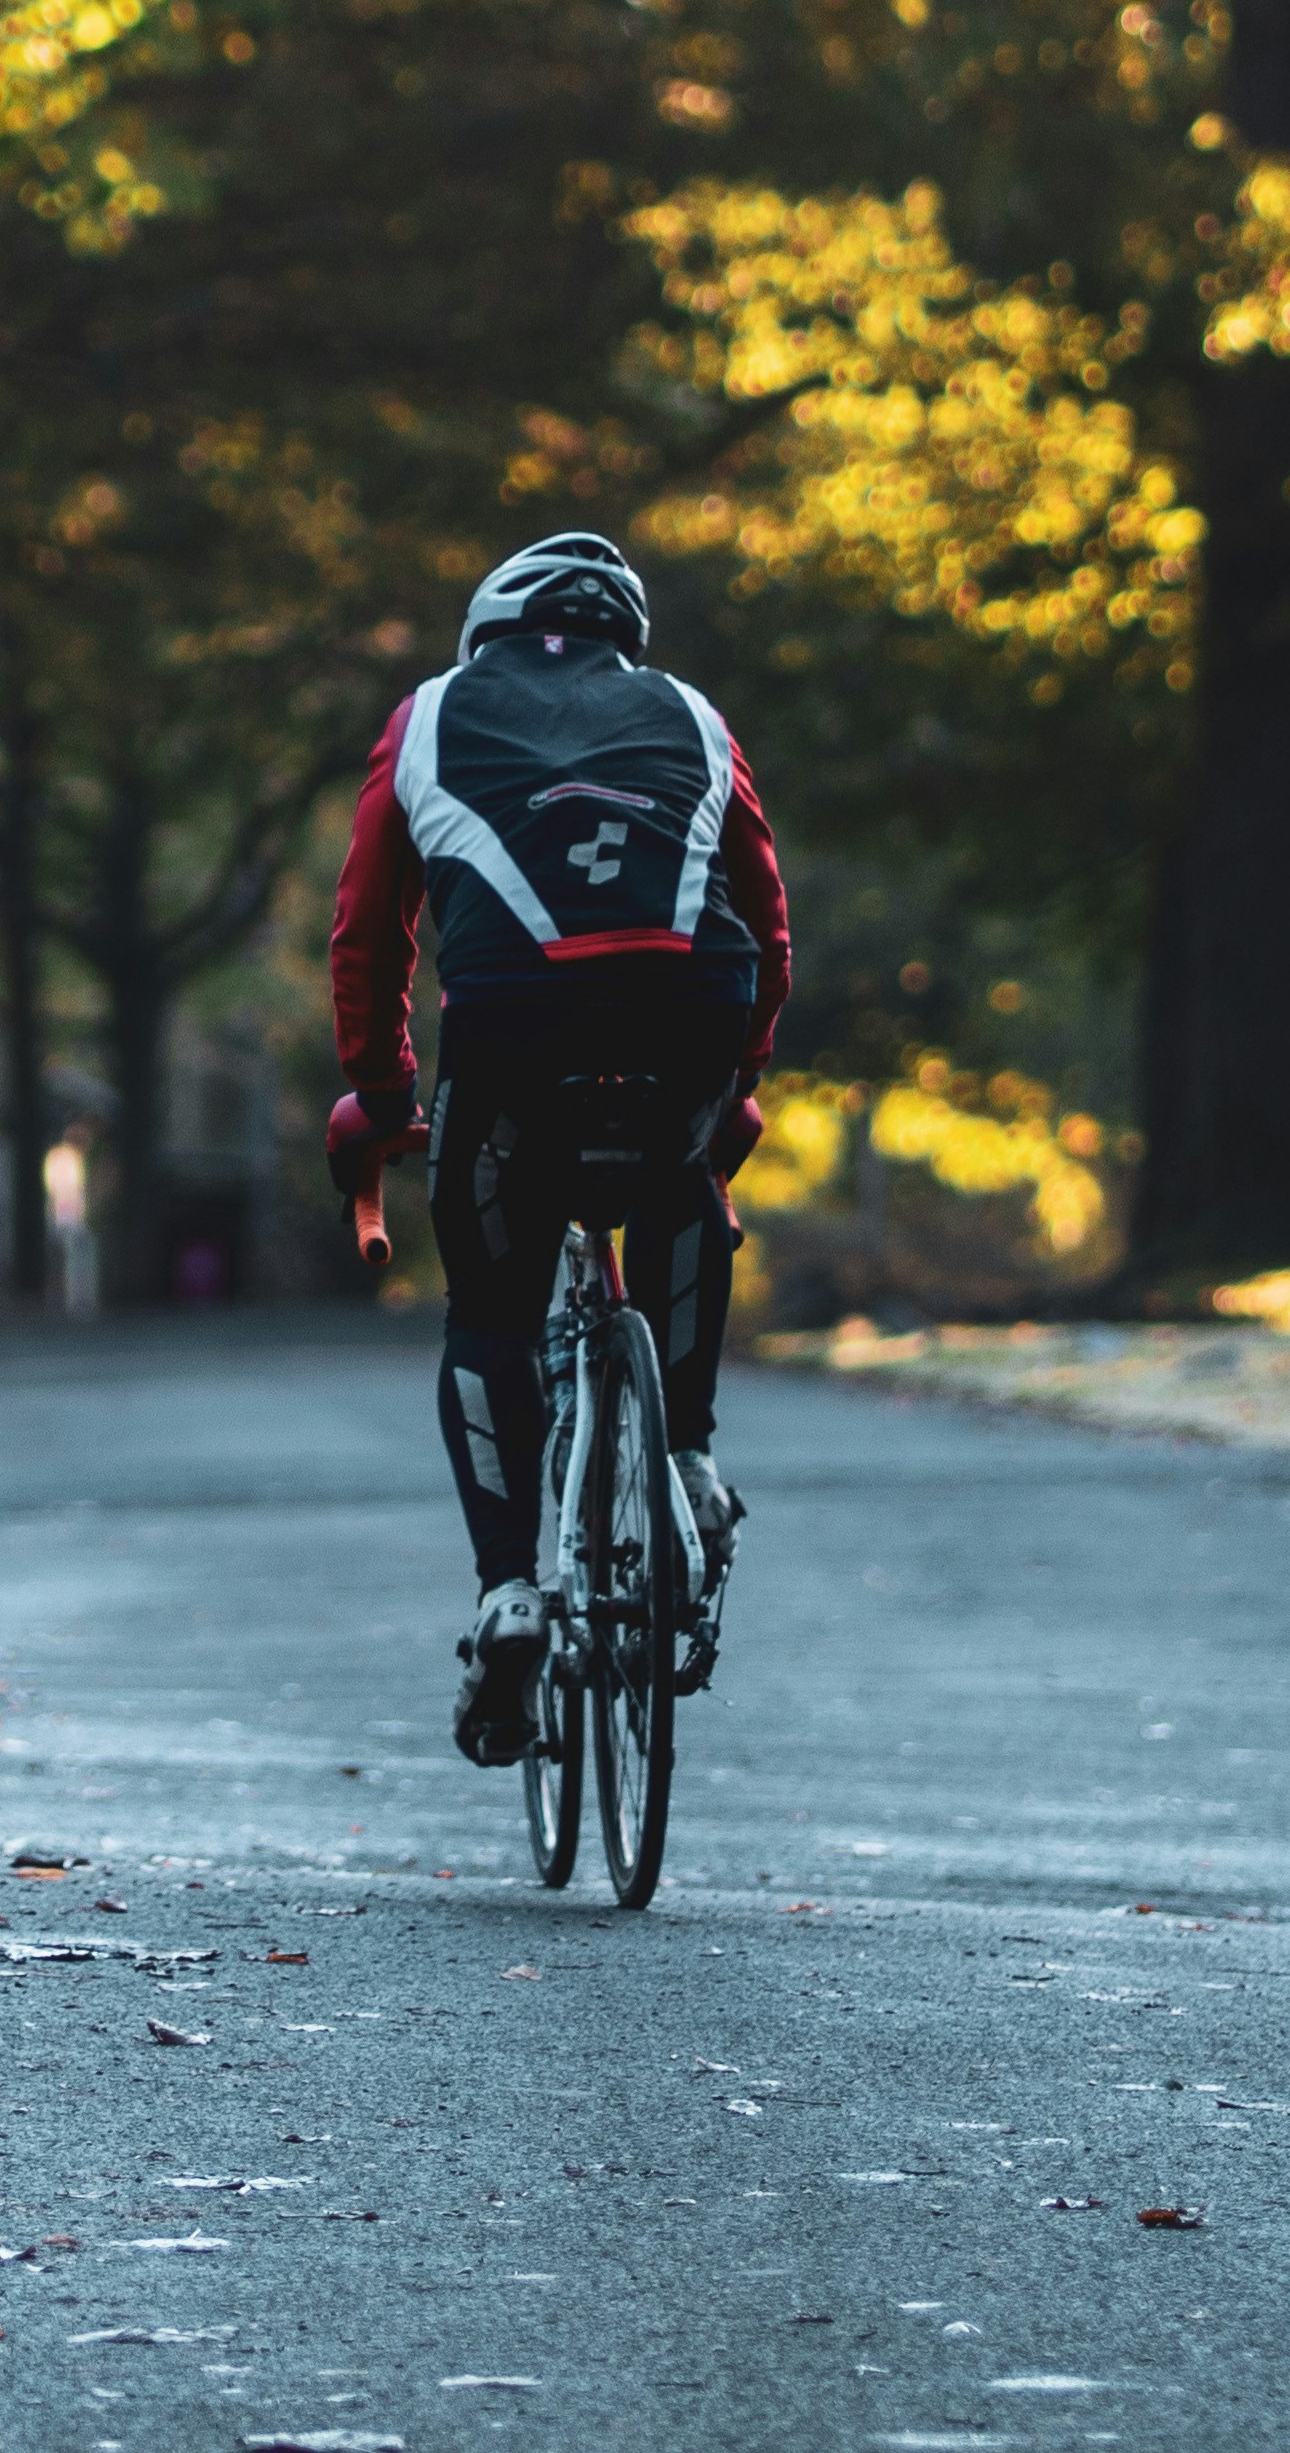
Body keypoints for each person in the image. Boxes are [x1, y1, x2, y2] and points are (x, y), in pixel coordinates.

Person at [325, 529, 788, 1767]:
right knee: (680, 1175)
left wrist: (381, 1085)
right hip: (692, 1002)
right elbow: (763, 901)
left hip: (513, 1021)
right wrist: (742, 1071)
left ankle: (507, 1591)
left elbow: (370, 926)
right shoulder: (691, 710)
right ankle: (686, 1463)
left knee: (488, 1305)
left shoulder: (426, 714)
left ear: (489, 624)